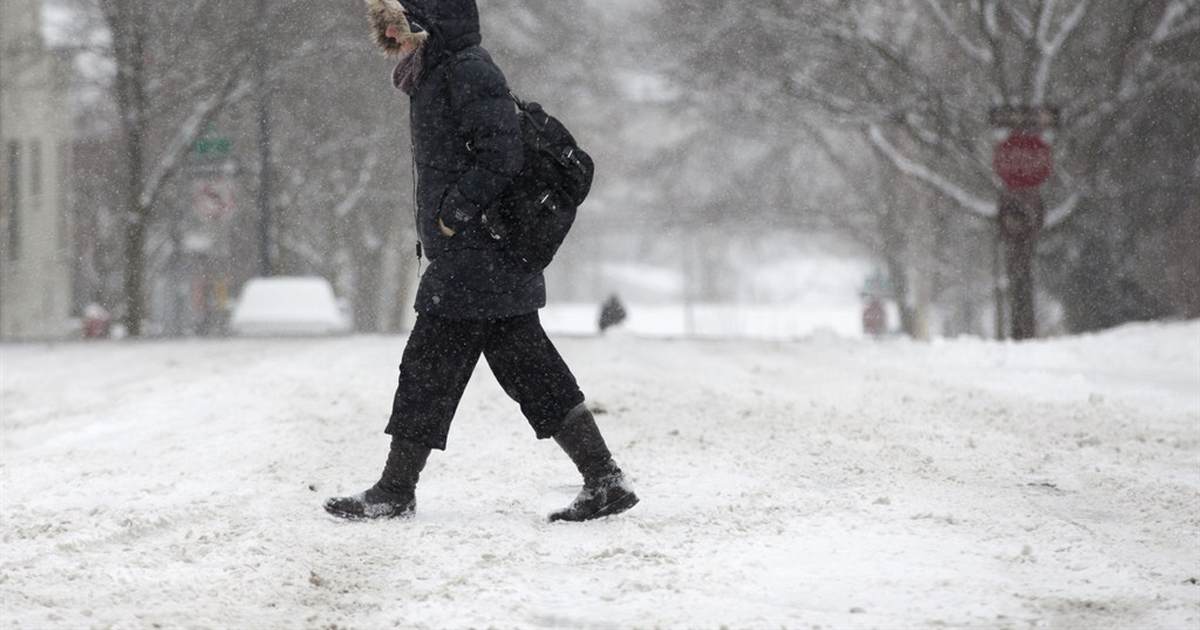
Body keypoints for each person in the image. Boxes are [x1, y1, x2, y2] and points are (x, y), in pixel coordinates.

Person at [324, 0, 638, 523]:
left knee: (429, 369)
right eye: (387, 31)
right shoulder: (435, 72)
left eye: (397, 27)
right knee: (528, 370)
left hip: (477, 256)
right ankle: (603, 477)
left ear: (425, 22)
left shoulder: (466, 68)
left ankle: (396, 489)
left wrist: (454, 215)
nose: (393, 40)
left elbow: (502, 153)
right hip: (481, 258)